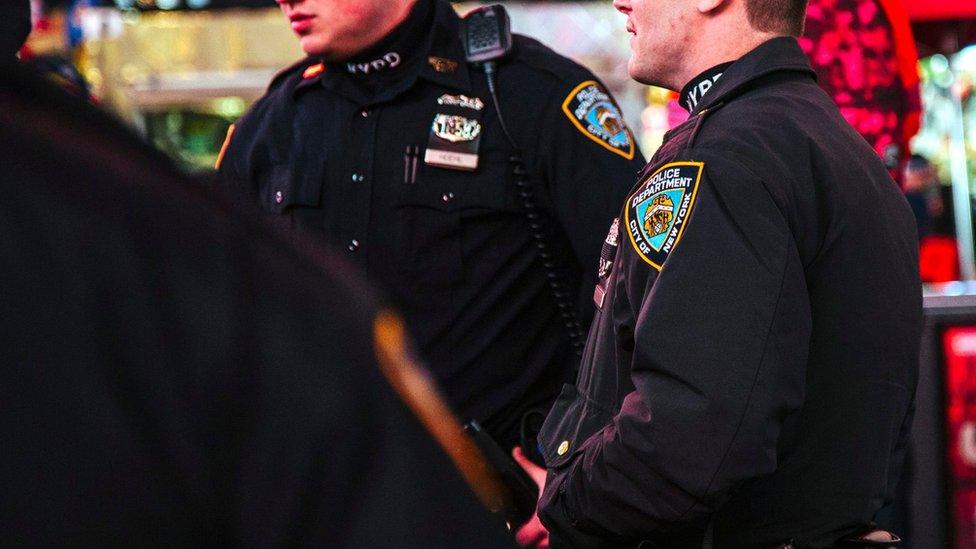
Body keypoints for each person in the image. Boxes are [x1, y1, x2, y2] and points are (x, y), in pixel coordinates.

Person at [0, 57, 514, 548]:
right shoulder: (268, 127)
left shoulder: (512, 93)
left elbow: (592, 302)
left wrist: (559, 472)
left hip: (489, 477)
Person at [528, 0, 922, 545]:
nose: (621, 0)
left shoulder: (725, 158)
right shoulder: (834, 146)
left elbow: (686, 442)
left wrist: (565, 506)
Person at [216, 0, 645, 462]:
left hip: (507, 503)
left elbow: (642, 309)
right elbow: (226, 332)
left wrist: (578, 480)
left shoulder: (530, 93)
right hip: (329, 497)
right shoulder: (270, 126)